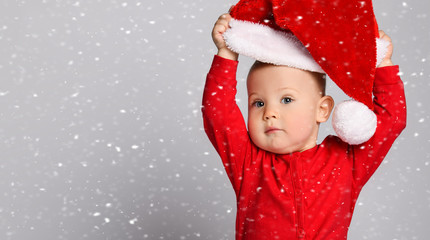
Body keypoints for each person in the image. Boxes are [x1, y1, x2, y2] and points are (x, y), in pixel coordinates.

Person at [202, 13, 406, 240]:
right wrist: (227, 53)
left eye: (287, 100)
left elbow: (392, 120)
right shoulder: (249, 162)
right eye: (258, 103)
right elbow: (217, 113)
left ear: (322, 110)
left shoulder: (346, 161)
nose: (269, 113)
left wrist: (383, 64)